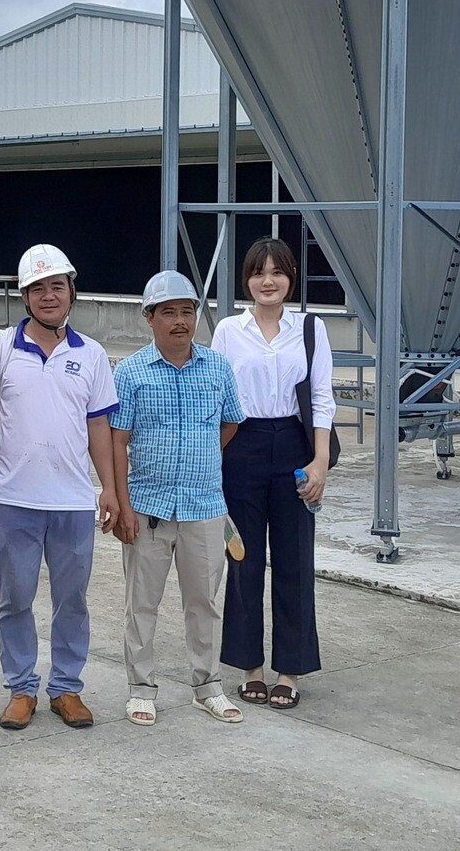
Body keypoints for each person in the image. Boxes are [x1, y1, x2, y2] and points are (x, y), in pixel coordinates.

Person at [0, 243, 122, 731]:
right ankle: (21, 688)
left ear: (72, 291)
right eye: (37, 288)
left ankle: (66, 687)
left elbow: (98, 427)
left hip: (73, 502)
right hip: (15, 500)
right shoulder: (0, 348)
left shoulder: (91, 355)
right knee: (15, 599)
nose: (48, 295)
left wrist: (109, 488)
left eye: (57, 286)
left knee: (73, 600)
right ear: (24, 297)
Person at [109, 270, 247, 727]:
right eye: (168, 312)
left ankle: (207, 688)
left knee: (203, 603)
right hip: (147, 507)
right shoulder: (130, 373)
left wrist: (199, 457)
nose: (180, 321)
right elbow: (117, 442)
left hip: (205, 507)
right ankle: (141, 689)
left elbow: (230, 423)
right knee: (141, 604)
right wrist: (122, 505)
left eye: (187, 311)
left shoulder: (217, 368)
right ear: (149, 318)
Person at [209, 237, 332, 710]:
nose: (268, 281)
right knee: (242, 558)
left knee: (294, 559)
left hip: (295, 447)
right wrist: (212, 459)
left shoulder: (311, 329)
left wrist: (319, 461)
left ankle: (290, 671)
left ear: (290, 278)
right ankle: (250, 668)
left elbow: (321, 398)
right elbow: (216, 396)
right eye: (258, 272)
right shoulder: (228, 330)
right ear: (247, 280)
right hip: (241, 445)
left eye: (277, 272)